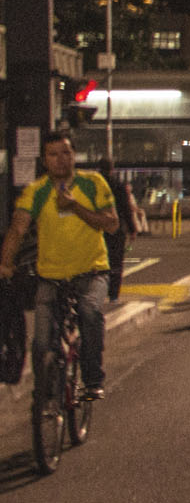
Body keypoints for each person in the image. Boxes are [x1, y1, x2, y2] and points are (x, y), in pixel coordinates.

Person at [0, 133, 118, 402]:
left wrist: (74, 206)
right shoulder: (37, 191)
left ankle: (92, 379)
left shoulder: (92, 183)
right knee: (41, 342)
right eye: (53, 154)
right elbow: (18, 228)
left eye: (65, 153)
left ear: (74, 155)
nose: (60, 160)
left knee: (89, 313)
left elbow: (111, 224)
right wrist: (5, 264)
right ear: (45, 160)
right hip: (50, 276)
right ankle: (46, 397)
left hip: (92, 271)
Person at [99, 160, 138, 301]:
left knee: (99, 261)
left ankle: (100, 290)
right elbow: (126, 209)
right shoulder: (118, 186)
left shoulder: (94, 185)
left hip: (97, 228)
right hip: (116, 228)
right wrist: (133, 228)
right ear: (112, 169)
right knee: (115, 261)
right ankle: (113, 294)